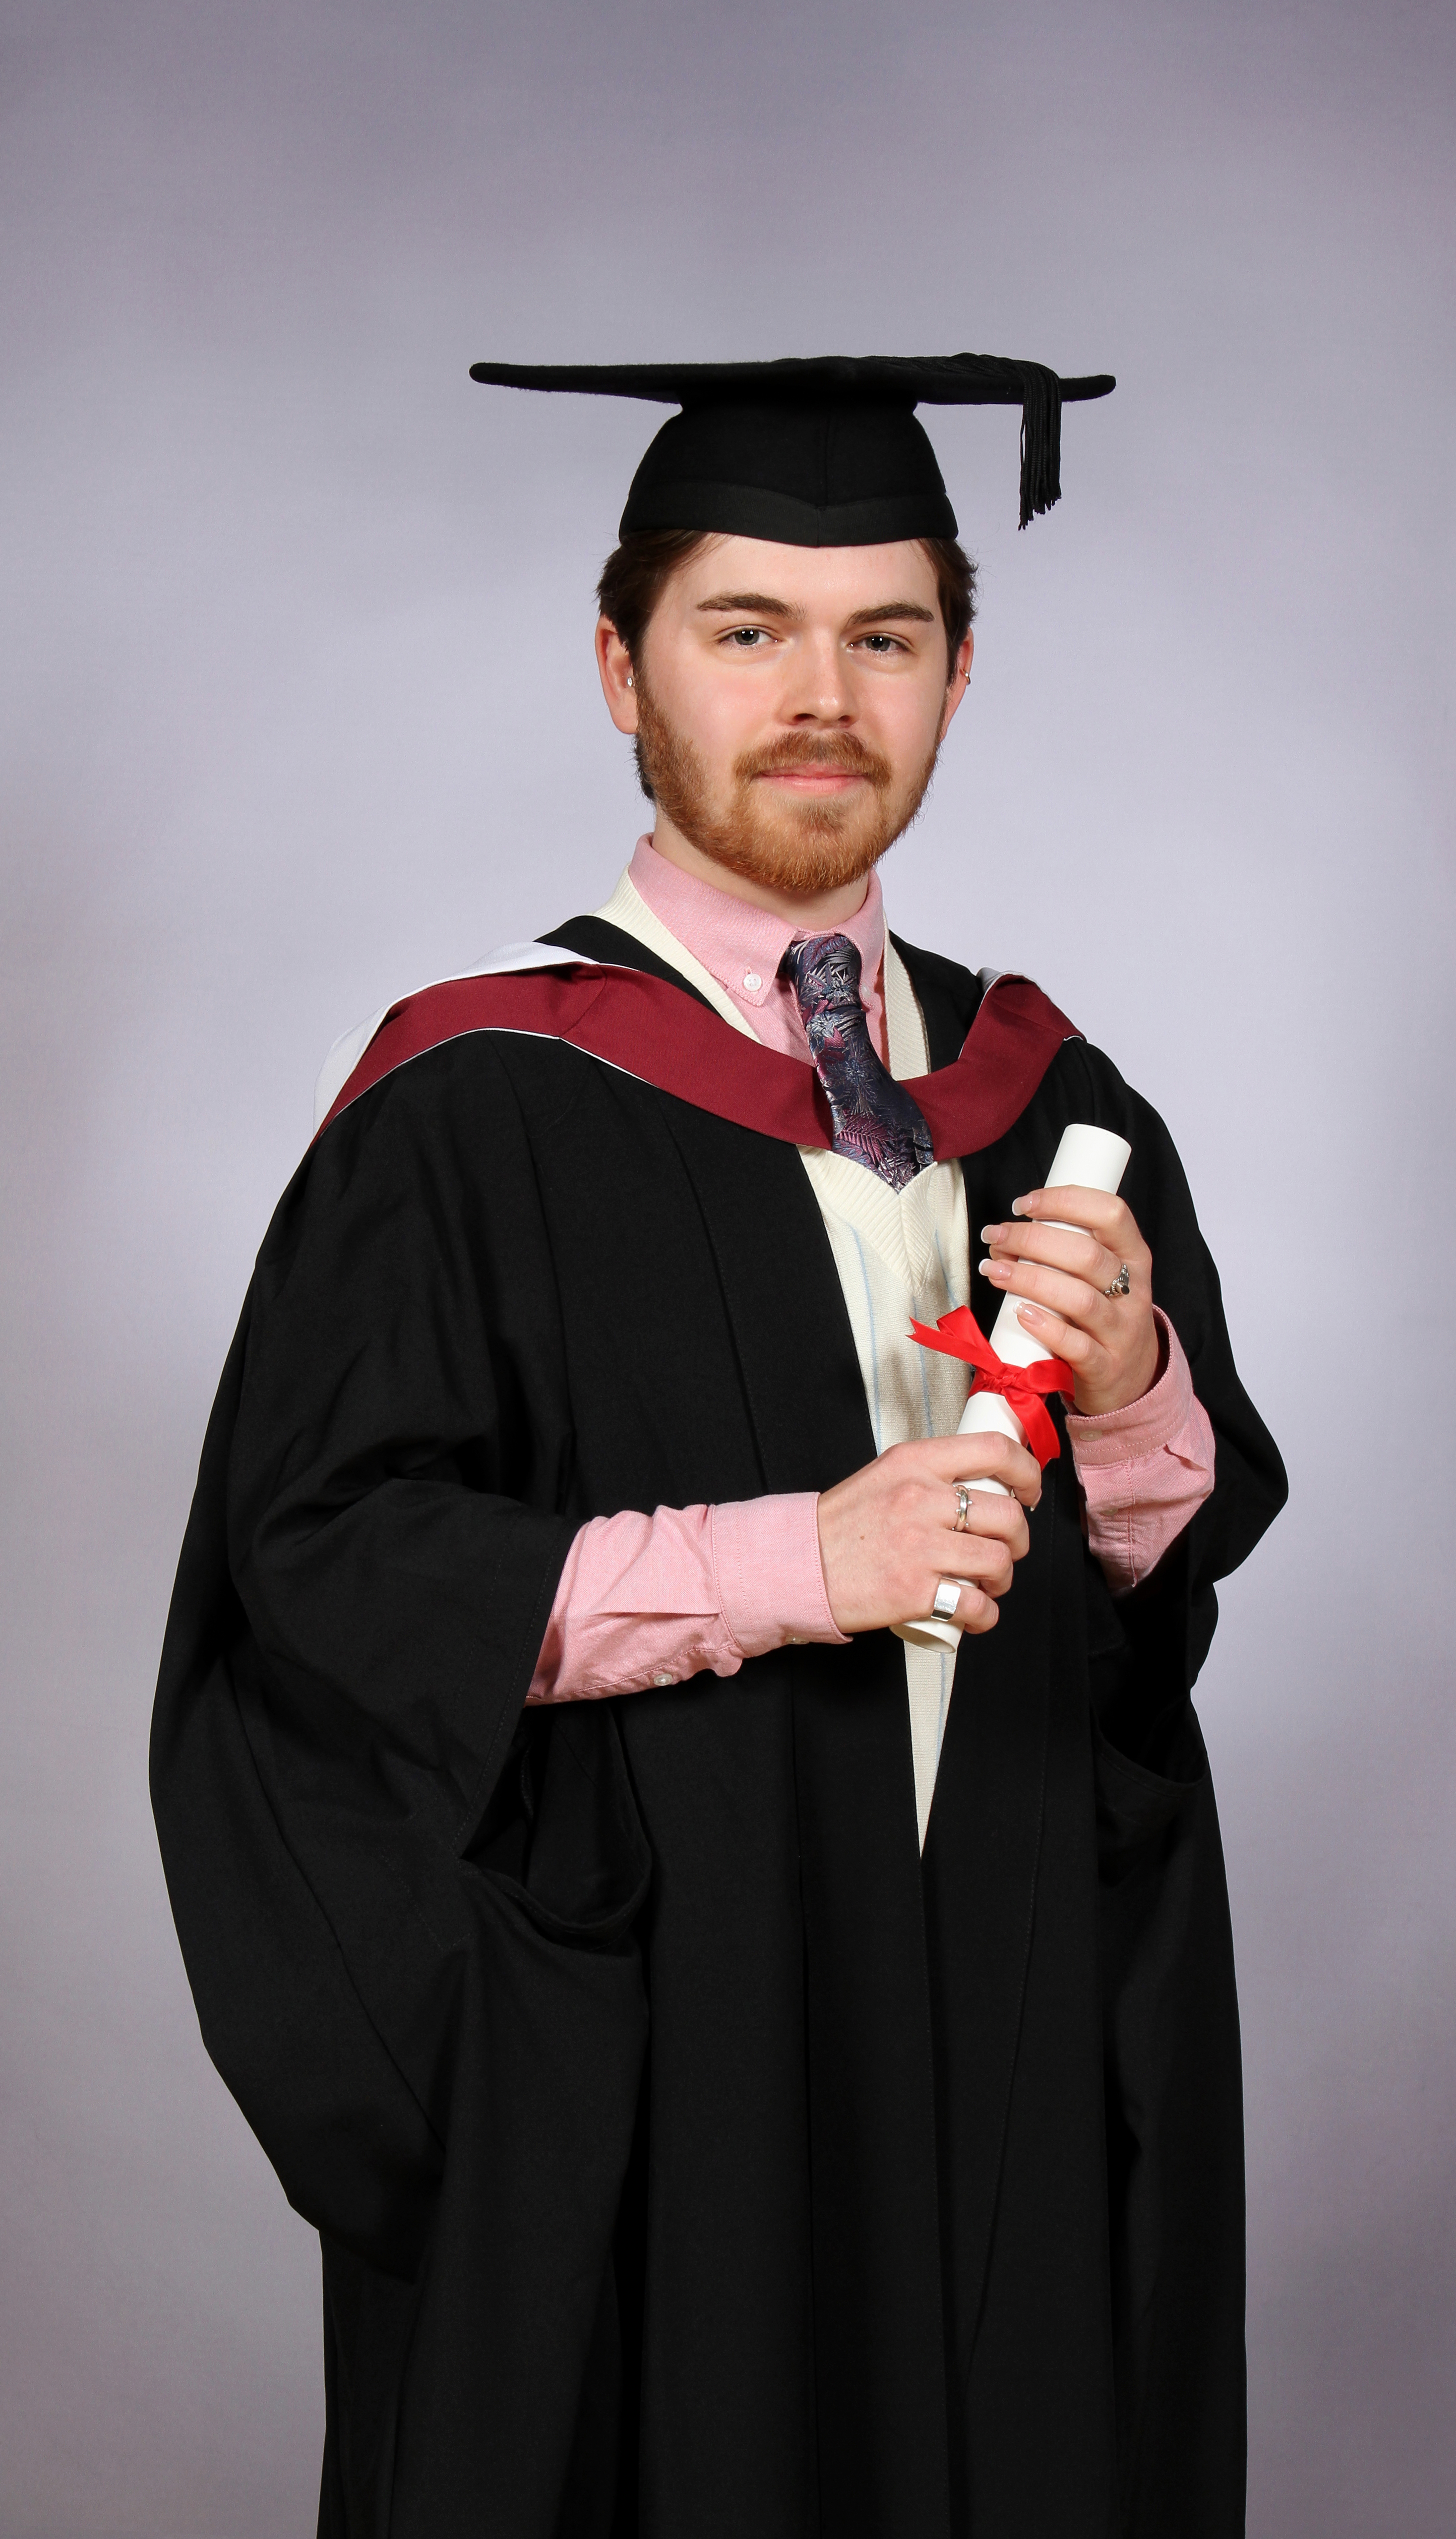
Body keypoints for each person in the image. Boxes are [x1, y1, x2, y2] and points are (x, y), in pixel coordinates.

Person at [152, 353, 1286, 2539]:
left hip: (1000, 2013)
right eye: (746, 630)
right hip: (666, 2050)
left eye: (886, 636)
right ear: (621, 667)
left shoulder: (1054, 1093)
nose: (822, 698)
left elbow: (1166, 1567)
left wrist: (1142, 1381)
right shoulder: (474, 1103)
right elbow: (326, 1575)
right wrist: (801, 1567)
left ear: (964, 670)